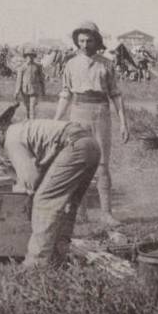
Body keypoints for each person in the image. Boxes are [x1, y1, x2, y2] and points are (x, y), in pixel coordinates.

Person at [0, 103, 100, 266]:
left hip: (74, 147)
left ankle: (36, 264)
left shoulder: (12, 138)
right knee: (67, 203)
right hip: (89, 144)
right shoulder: (21, 129)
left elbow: (31, 179)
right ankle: (58, 254)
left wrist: (20, 192)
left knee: (44, 202)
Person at [54, 20, 130, 226]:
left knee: (102, 164)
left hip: (100, 113)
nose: (85, 45)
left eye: (89, 40)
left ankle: (106, 213)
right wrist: (56, 120)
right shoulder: (70, 64)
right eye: (81, 41)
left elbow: (115, 94)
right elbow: (65, 94)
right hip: (78, 113)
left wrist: (123, 122)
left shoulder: (106, 64)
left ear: (97, 42)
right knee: (79, 163)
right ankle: (80, 213)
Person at [13, 47, 46, 119]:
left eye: (32, 55)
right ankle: (28, 122)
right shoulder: (22, 67)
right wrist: (17, 91)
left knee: (32, 108)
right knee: (27, 107)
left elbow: (41, 79)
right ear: (26, 56)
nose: (30, 57)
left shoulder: (38, 66)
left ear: (34, 56)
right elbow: (19, 80)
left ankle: (32, 123)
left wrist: (43, 90)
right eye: (28, 55)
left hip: (34, 89)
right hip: (25, 90)